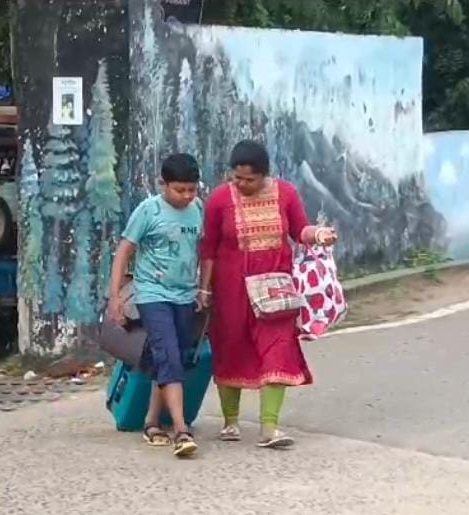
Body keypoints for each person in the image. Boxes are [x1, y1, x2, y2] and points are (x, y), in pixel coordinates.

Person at [198, 140, 338, 447]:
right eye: (237, 178)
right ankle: (230, 421)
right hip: (231, 289)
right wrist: (205, 288)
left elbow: (300, 230)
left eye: (249, 179)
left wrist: (319, 235)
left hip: (276, 290)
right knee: (230, 347)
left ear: (265, 175)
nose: (242, 184)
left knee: (278, 348)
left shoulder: (286, 193)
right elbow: (208, 249)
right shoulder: (219, 200)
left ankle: (269, 428)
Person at [107, 153, 204, 458]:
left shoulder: (197, 209)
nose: (187, 196)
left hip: (185, 295)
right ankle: (181, 428)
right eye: (180, 190)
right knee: (170, 356)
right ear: (163, 185)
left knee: (168, 358)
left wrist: (204, 288)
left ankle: (151, 422)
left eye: (192, 189)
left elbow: (200, 249)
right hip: (153, 295)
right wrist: (116, 296)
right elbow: (124, 251)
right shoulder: (148, 211)